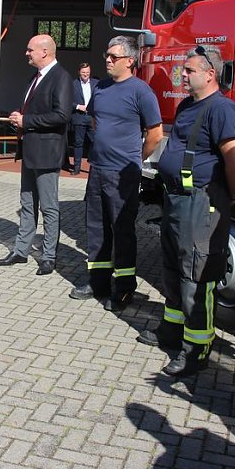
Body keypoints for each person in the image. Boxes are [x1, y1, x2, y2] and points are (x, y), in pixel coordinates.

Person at [139, 45, 235, 376]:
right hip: (175, 198)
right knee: (172, 266)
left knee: (196, 274)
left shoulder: (223, 109)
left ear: (210, 74)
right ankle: (171, 330)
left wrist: (232, 193)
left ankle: (196, 348)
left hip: (200, 202)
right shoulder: (187, 106)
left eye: (189, 70)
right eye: (183, 70)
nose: (182, 75)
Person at [69, 35, 163, 310]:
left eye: (113, 57)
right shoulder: (102, 88)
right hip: (97, 170)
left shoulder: (141, 92)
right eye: (106, 56)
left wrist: (136, 158)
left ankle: (123, 289)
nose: (107, 60)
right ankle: (97, 282)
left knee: (122, 231)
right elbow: (97, 120)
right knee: (96, 228)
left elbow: (155, 134)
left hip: (123, 174)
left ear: (130, 61)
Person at [0, 34, 73, 276]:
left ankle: (49, 256)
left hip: (47, 154)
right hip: (30, 152)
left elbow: (62, 116)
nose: (26, 53)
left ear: (45, 52)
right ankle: (21, 251)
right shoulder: (35, 78)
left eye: (30, 50)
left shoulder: (61, 78)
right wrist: (20, 118)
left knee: (49, 207)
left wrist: (26, 120)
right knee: (27, 204)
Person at [69, 63, 98, 175]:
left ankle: (94, 166)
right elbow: (67, 101)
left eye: (87, 72)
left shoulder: (96, 84)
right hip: (79, 117)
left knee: (95, 142)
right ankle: (76, 168)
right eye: (83, 72)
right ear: (79, 72)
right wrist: (78, 106)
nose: (85, 74)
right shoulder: (73, 84)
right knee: (78, 143)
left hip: (92, 117)